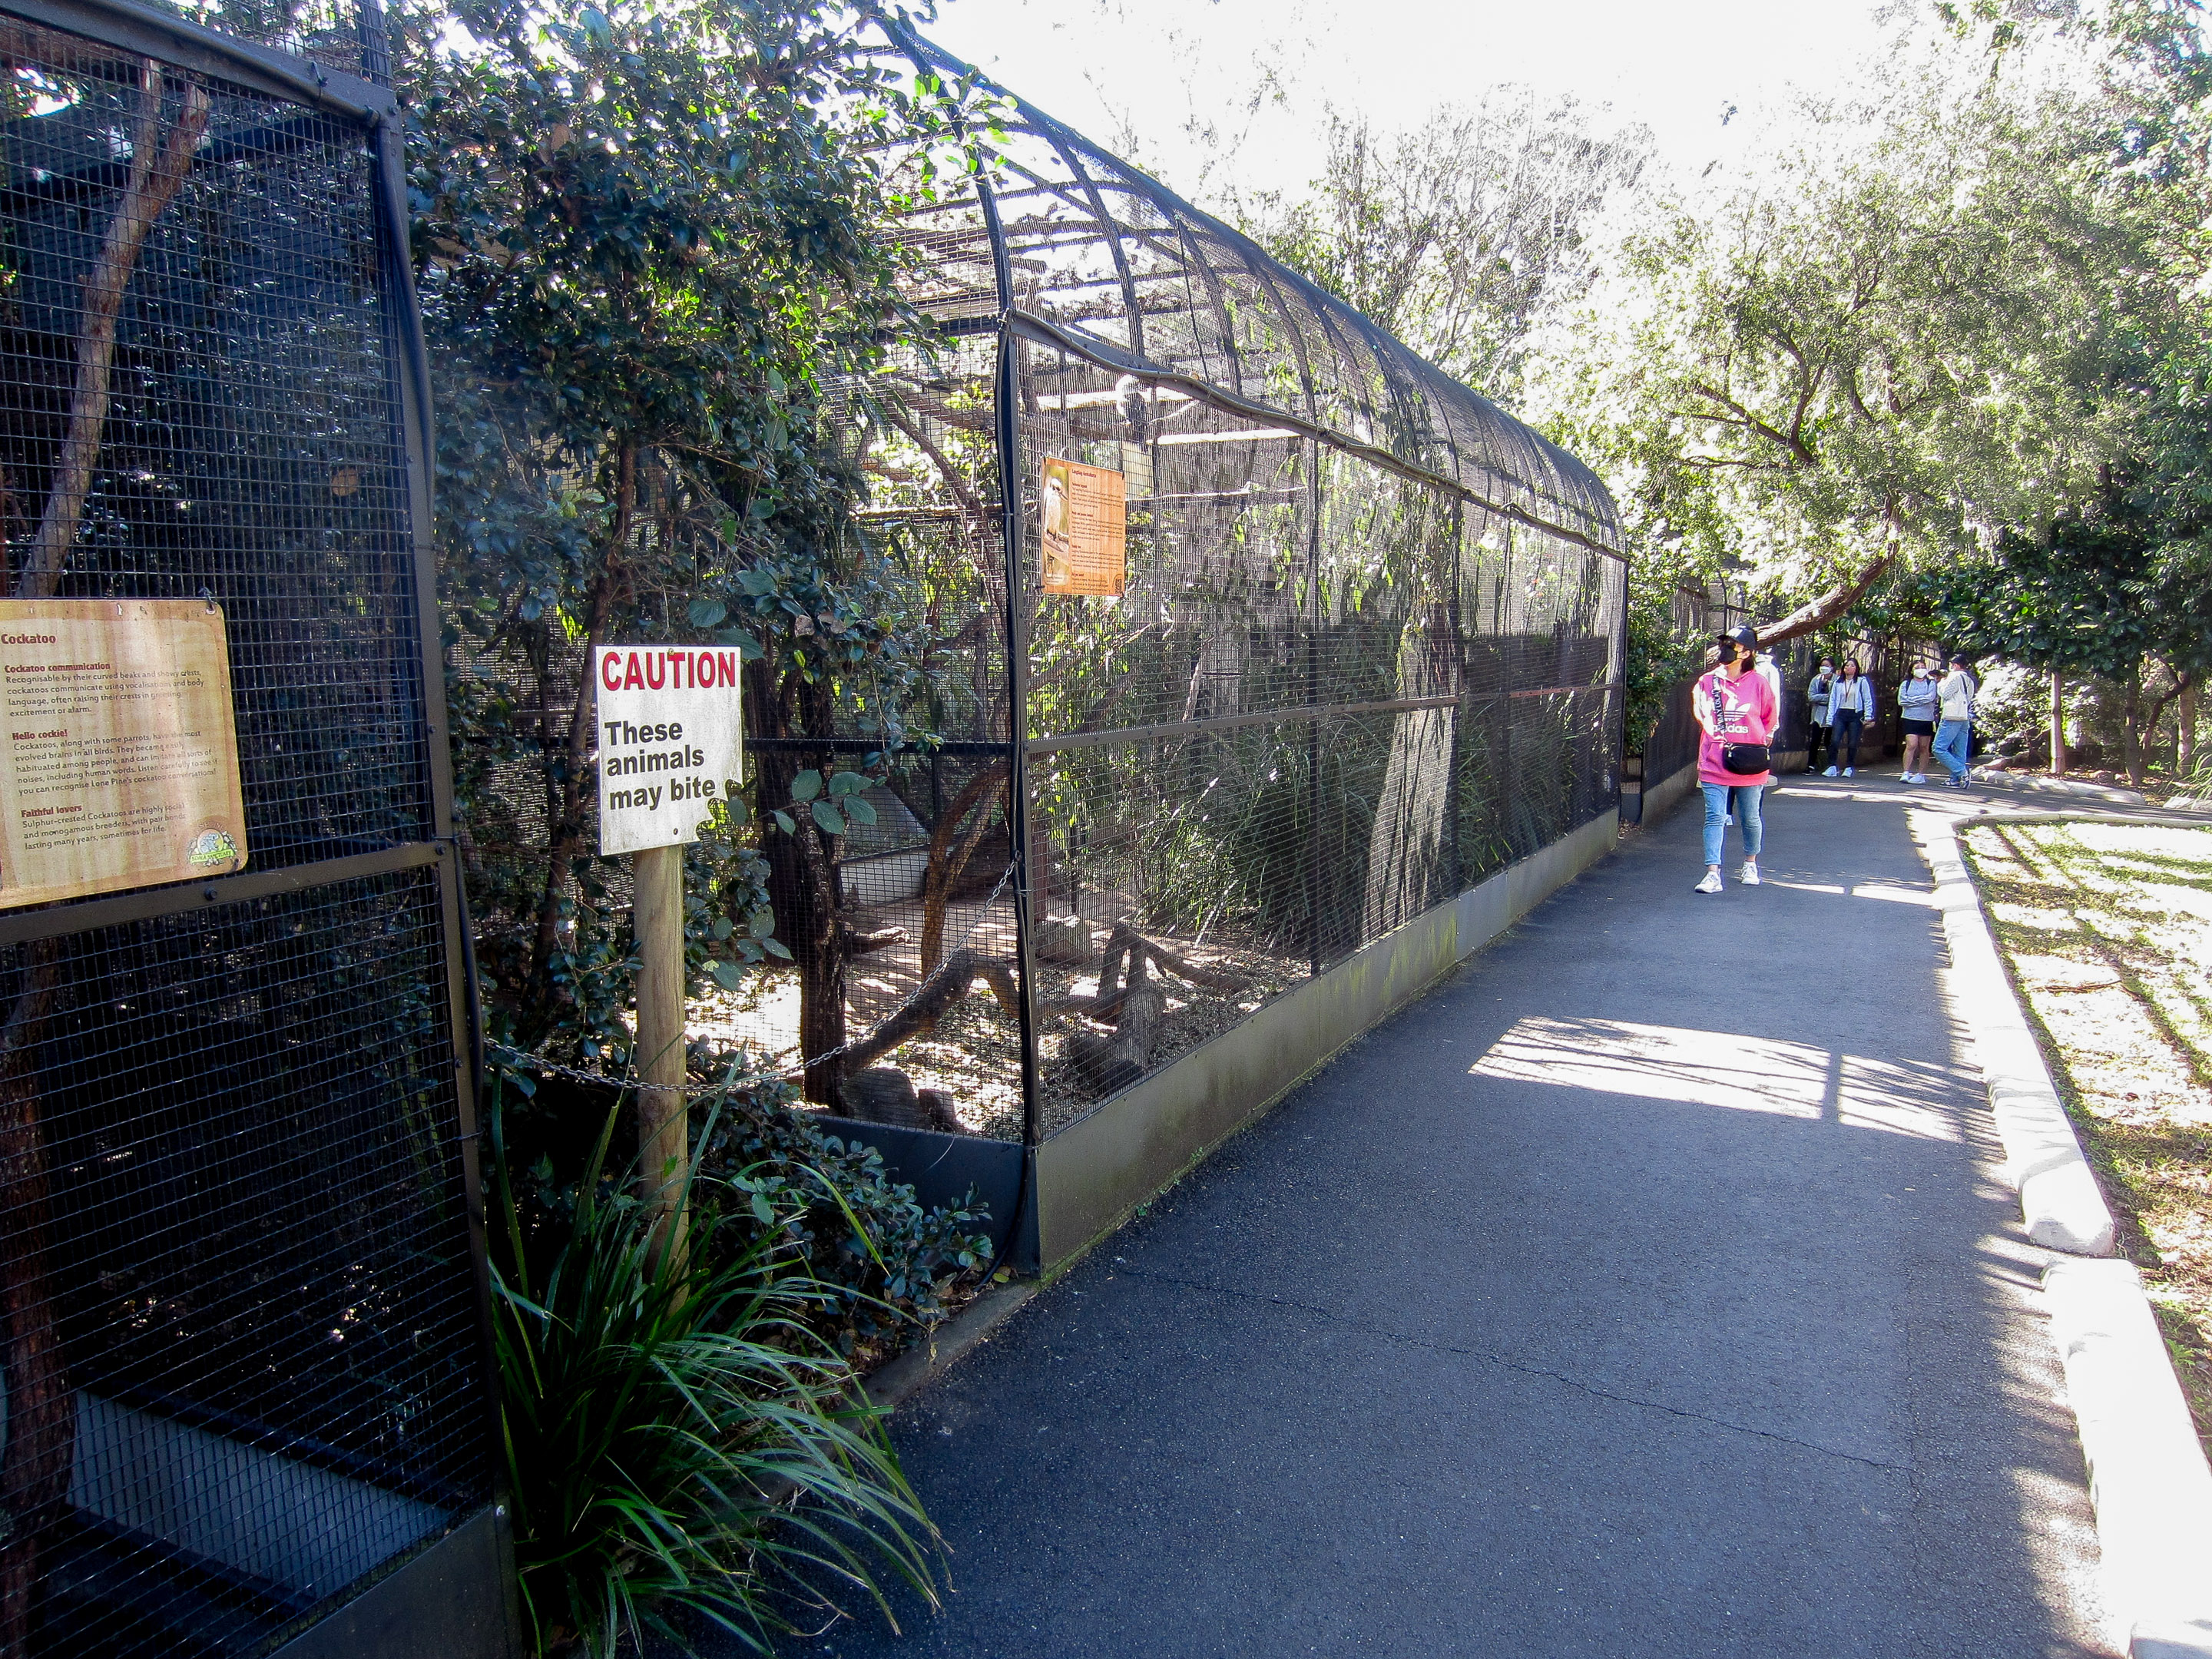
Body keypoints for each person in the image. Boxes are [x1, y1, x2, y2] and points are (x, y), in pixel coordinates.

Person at [1692, 624, 1777, 893]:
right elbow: (1701, 714)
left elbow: (1769, 718)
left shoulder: (1759, 683)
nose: (1727, 647)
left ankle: (1750, 863)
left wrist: (1756, 739)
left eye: (1734, 644)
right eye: (1725, 641)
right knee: (1715, 816)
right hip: (1715, 760)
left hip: (1750, 762)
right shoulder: (1708, 681)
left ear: (1748, 652)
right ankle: (1713, 874)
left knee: (1751, 817)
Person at [1823, 658, 1875, 778]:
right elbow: (1833, 701)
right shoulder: (1838, 682)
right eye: (1847, 665)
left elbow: (1867, 699)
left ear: (1856, 668)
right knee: (1835, 741)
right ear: (1843, 668)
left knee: (1852, 742)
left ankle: (1849, 767)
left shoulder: (1861, 681)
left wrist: (1868, 715)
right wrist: (1830, 718)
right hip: (1840, 713)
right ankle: (1832, 766)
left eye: (1852, 665)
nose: (1849, 668)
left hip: (1855, 714)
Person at [1935, 654, 1978, 788]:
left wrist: (1940, 683)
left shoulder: (1954, 676)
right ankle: (1955, 780)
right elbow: (1969, 697)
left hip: (1951, 717)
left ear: (1956, 665)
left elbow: (1946, 693)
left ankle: (1962, 772)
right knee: (1959, 750)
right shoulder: (1969, 679)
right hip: (1964, 717)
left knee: (1938, 748)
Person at [1897, 661, 1942, 783]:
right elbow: (1902, 701)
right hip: (1909, 718)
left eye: (1923, 667)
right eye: (1917, 667)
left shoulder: (1931, 683)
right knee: (1911, 744)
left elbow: (1930, 698)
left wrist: (1912, 700)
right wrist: (1921, 700)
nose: (1920, 669)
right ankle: (1906, 772)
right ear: (1911, 670)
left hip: (1926, 719)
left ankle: (1921, 774)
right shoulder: (1906, 684)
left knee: (1924, 747)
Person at [1805, 657, 1836, 773]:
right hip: (1817, 714)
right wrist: (1824, 697)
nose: (1824, 668)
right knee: (1815, 740)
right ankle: (1810, 765)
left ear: (1832, 667)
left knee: (1829, 741)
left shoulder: (1836, 680)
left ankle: (1831, 765)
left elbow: (1834, 698)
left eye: (1827, 665)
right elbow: (1811, 696)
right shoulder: (1816, 679)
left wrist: (1820, 698)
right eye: (1823, 665)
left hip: (1831, 714)